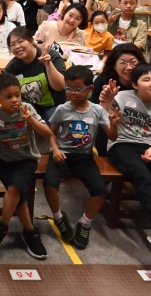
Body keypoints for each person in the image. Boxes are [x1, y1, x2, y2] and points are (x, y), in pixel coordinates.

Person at [99, 64, 151, 258]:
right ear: (135, 85)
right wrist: (108, 101)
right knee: (142, 175)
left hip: (149, 147)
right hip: (121, 145)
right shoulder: (123, 97)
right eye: (146, 80)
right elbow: (103, 117)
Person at [0, 73, 51, 260]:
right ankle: (30, 232)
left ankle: (1, 226)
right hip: (4, 161)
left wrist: (30, 120)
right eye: (8, 96)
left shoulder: (28, 109)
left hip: (27, 160)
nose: (15, 100)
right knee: (19, 197)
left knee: (15, 188)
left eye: (17, 95)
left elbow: (47, 133)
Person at [44, 66, 119, 250]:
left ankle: (85, 223)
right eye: (68, 88)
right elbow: (51, 133)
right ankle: (58, 218)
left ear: (90, 89)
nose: (72, 92)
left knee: (99, 191)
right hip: (62, 154)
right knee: (49, 184)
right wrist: (55, 149)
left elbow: (112, 136)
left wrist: (115, 124)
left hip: (84, 156)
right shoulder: (62, 109)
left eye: (77, 89)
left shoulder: (97, 111)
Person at [89, 43, 149, 155]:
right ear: (114, 66)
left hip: (140, 124)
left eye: (133, 62)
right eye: (123, 62)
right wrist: (106, 102)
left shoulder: (148, 79)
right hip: (113, 124)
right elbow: (96, 112)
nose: (129, 67)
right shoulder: (103, 81)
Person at [0, 27, 66, 124]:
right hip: (29, 104)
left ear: (31, 40)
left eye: (20, 41)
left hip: (54, 104)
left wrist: (48, 65)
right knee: (20, 121)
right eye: (12, 44)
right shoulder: (13, 66)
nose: (17, 46)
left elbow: (60, 86)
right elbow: (5, 90)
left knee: (54, 125)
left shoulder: (51, 55)